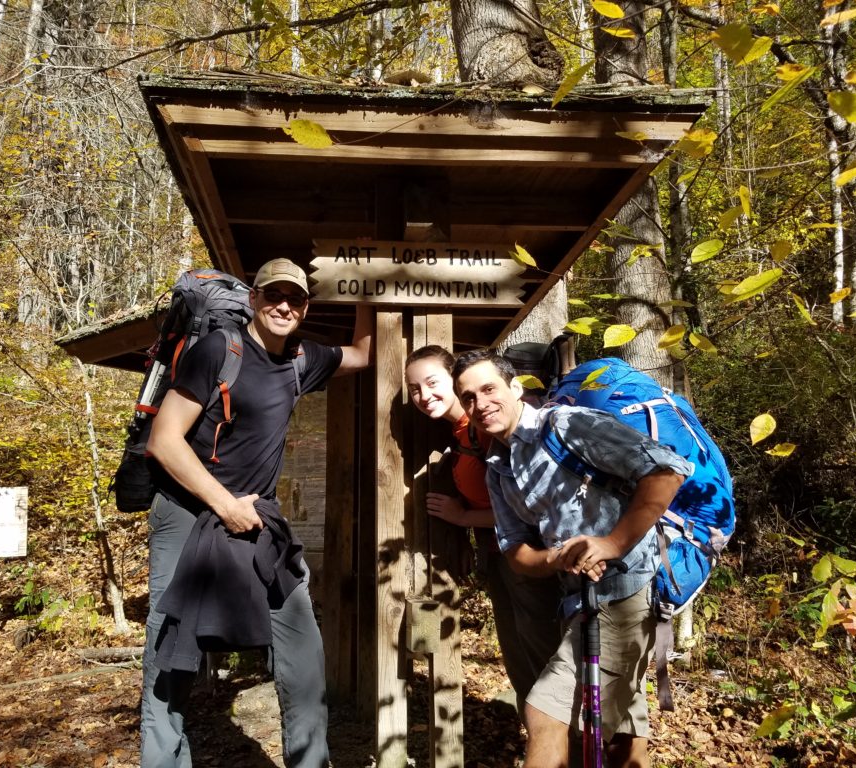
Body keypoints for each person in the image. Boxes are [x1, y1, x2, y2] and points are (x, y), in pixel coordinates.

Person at [141, 257, 373, 768]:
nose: (284, 306)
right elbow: (164, 440)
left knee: (302, 645)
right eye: (273, 295)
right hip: (188, 512)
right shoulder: (216, 350)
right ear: (254, 300)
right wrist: (223, 504)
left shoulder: (301, 360)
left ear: (306, 306)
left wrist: (364, 278)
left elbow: (363, 353)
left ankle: (310, 760)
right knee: (170, 652)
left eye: (295, 298)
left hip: (255, 519)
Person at [451, 349, 692, 768]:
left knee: (546, 711)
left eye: (488, 388)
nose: (479, 403)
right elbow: (515, 551)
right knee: (622, 736)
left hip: (628, 590)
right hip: (577, 600)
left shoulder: (568, 425)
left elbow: (667, 471)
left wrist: (613, 543)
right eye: (468, 397)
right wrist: (556, 559)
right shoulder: (498, 466)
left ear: (515, 387)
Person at [404, 345, 561, 714]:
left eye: (433, 382)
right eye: (415, 389)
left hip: (531, 561)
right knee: (523, 665)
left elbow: (530, 508)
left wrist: (462, 519)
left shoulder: (488, 430)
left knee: (545, 666)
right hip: (502, 559)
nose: (425, 396)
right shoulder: (463, 433)